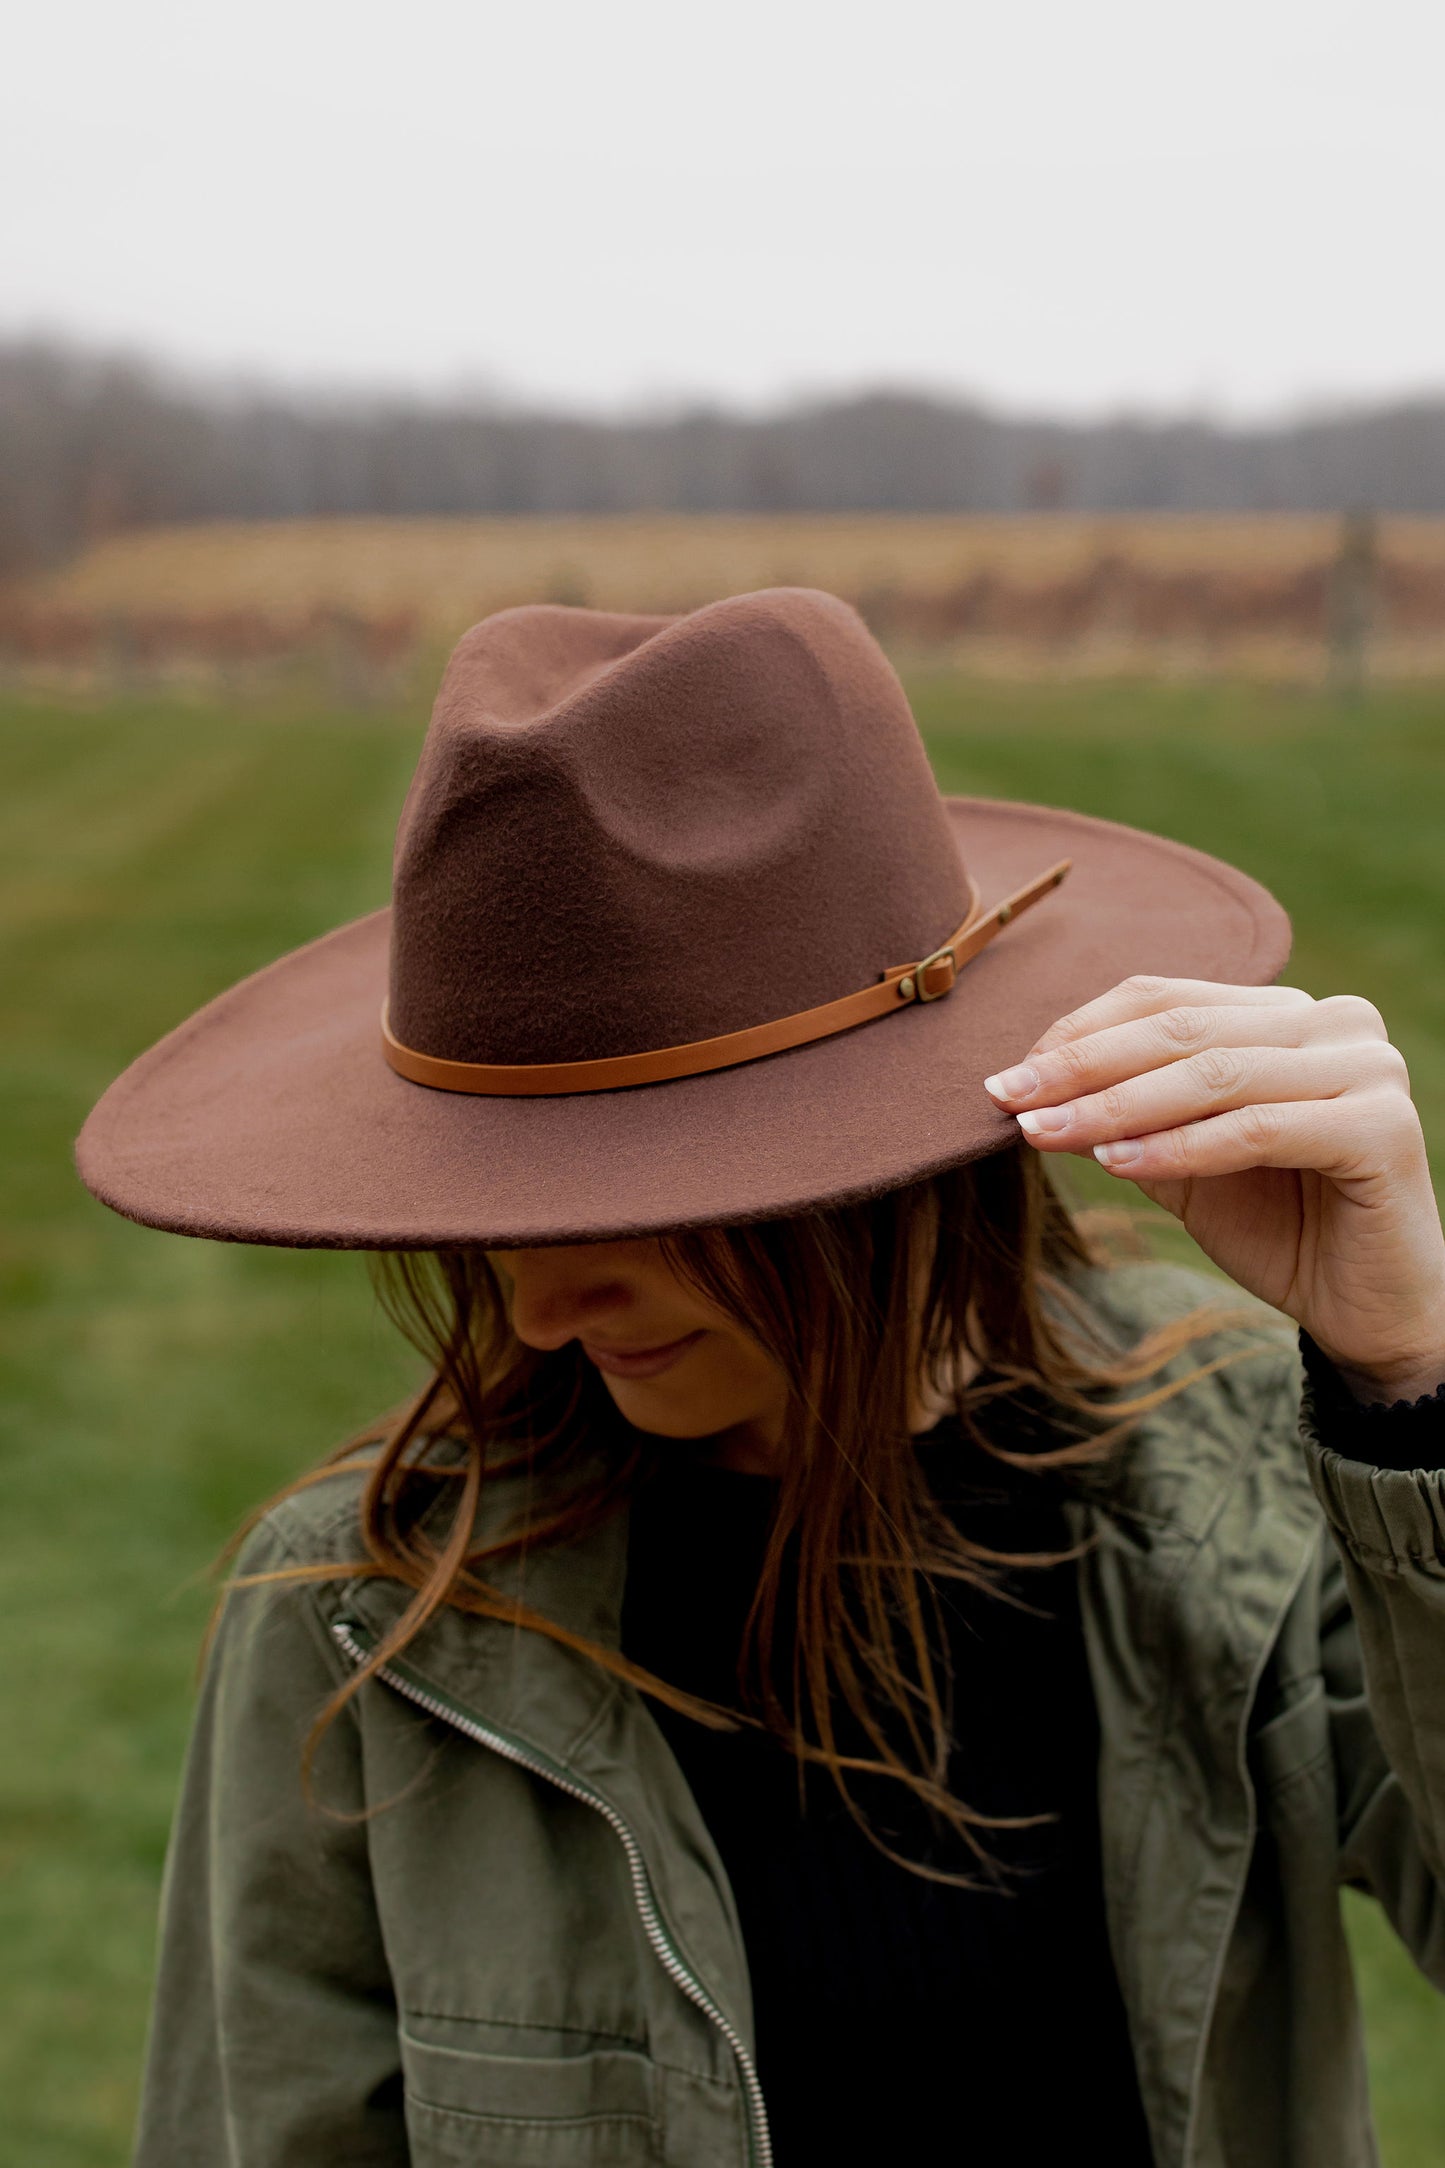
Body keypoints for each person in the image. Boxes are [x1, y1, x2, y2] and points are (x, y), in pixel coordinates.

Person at [76, 588, 1445, 2168]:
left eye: (632, 1205)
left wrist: (1404, 1382)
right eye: (490, 1209)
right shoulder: (363, 1620)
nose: (532, 1315)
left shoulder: (1232, 1472)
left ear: (882, 1168)